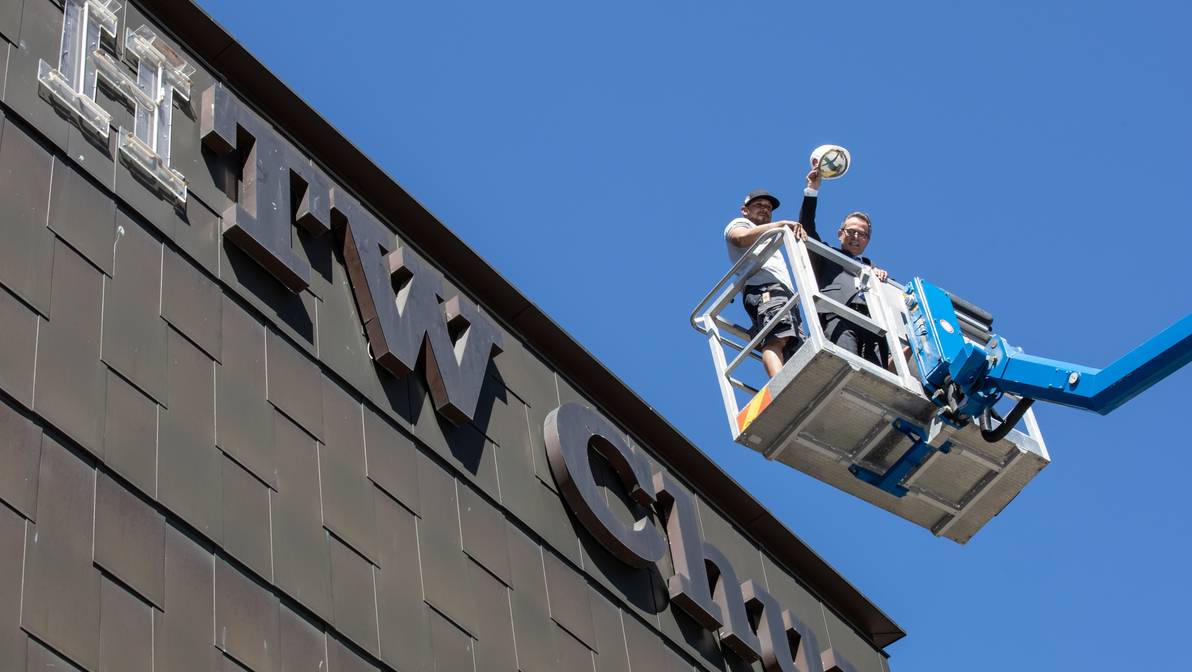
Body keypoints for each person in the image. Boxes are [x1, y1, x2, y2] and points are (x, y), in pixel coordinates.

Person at [791, 167, 892, 369]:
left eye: (862, 234)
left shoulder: (871, 267)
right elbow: (807, 227)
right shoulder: (826, 255)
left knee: (876, 373)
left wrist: (880, 279)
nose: (856, 237)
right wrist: (812, 190)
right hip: (839, 317)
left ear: (868, 240)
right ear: (840, 233)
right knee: (846, 367)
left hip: (872, 324)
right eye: (851, 231)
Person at [724, 189, 804, 377]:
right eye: (759, 205)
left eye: (768, 207)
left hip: (781, 292)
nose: (765, 209)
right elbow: (740, 238)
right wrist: (779, 225)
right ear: (745, 210)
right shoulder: (740, 223)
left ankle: (789, 383)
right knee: (776, 338)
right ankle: (780, 384)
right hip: (765, 288)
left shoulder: (769, 237)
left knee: (792, 345)